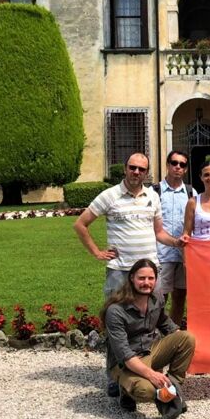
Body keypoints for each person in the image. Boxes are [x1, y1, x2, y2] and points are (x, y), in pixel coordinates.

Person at [73, 152, 184, 397]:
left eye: (141, 169)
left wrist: (177, 242)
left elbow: (159, 233)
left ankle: (145, 368)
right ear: (125, 168)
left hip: (149, 273)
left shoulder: (153, 197)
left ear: (147, 172)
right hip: (121, 272)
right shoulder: (109, 196)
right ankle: (114, 375)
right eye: (132, 167)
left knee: (150, 323)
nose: (136, 172)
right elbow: (80, 224)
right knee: (116, 325)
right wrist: (96, 252)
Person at [102, 258, 197, 419]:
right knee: (147, 391)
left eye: (151, 278)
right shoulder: (115, 311)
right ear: (131, 278)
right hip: (125, 362)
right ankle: (126, 390)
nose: (146, 283)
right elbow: (124, 355)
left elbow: (165, 323)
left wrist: (179, 339)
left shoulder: (156, 299)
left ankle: (172, 386)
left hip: (150, 351)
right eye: (141, 278)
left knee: (187, 338)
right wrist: (152, 375)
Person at [154, 151, 198, 325]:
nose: (178, 167)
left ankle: (174, 334)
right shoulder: (155, 191)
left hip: (183, 255)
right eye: (174, 163)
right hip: (161, 254)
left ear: (186, 169)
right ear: (168, 164)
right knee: (159, 297)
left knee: (180, 296)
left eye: (182, 164)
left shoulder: (190, 192)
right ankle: (156, 333)